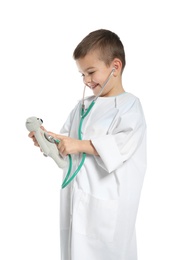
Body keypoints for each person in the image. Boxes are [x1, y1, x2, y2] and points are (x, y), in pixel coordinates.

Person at [29, 29, 147, 260]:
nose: (86, 80)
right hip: (76, 206)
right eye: (82, 74)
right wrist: (49, 142)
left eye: (91, 72)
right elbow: (67, 153)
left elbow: (120, 146)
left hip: (107, 212)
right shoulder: (81, 107)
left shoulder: (129, 107)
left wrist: (78, 145)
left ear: (116, 66)